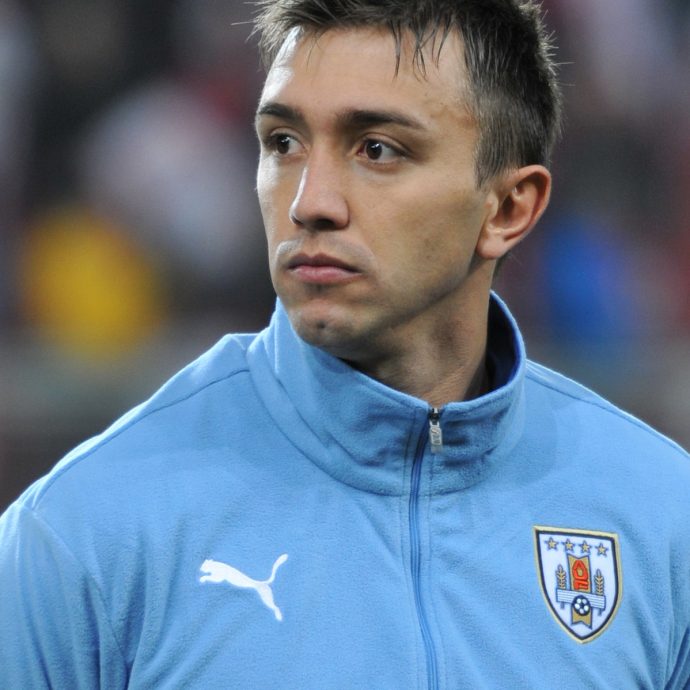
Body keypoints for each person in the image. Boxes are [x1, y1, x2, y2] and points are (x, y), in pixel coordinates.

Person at [1, 0, 689, 687]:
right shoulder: (80, 533)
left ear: (508, 208)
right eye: (283, 143)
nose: (310, 202)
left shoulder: (664, 518)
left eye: (377, 149)